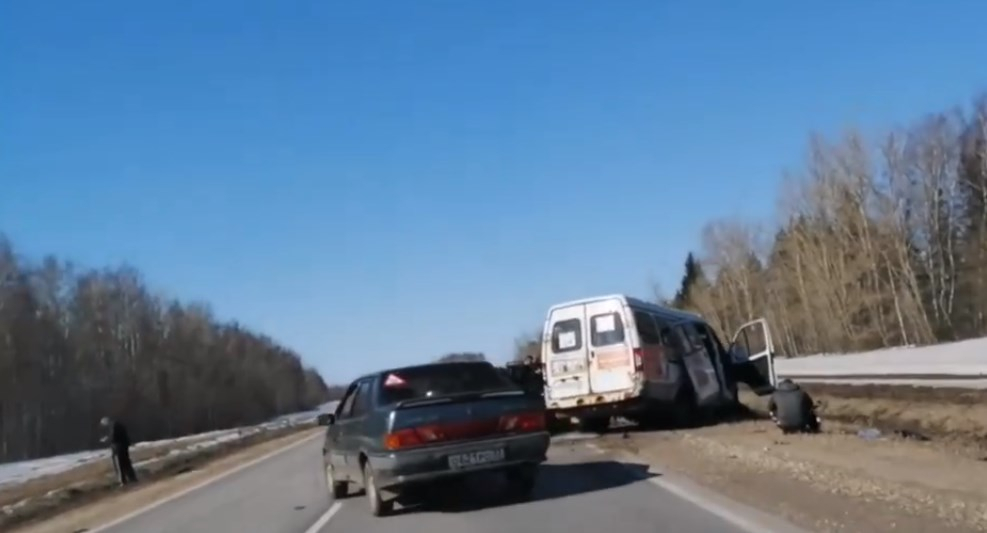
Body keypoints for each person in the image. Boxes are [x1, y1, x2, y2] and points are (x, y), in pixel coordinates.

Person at [100, 416, 138, 486]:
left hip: (118, 448)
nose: (104, 426)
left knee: (119, 464)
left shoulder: (114, 426)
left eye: (104, 424)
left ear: (107, 421)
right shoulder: (118, 424)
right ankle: (132, 478)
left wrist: (107, 440)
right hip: (124, 446)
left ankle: (123, 481)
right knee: (126, 462)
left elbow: (113, 437)